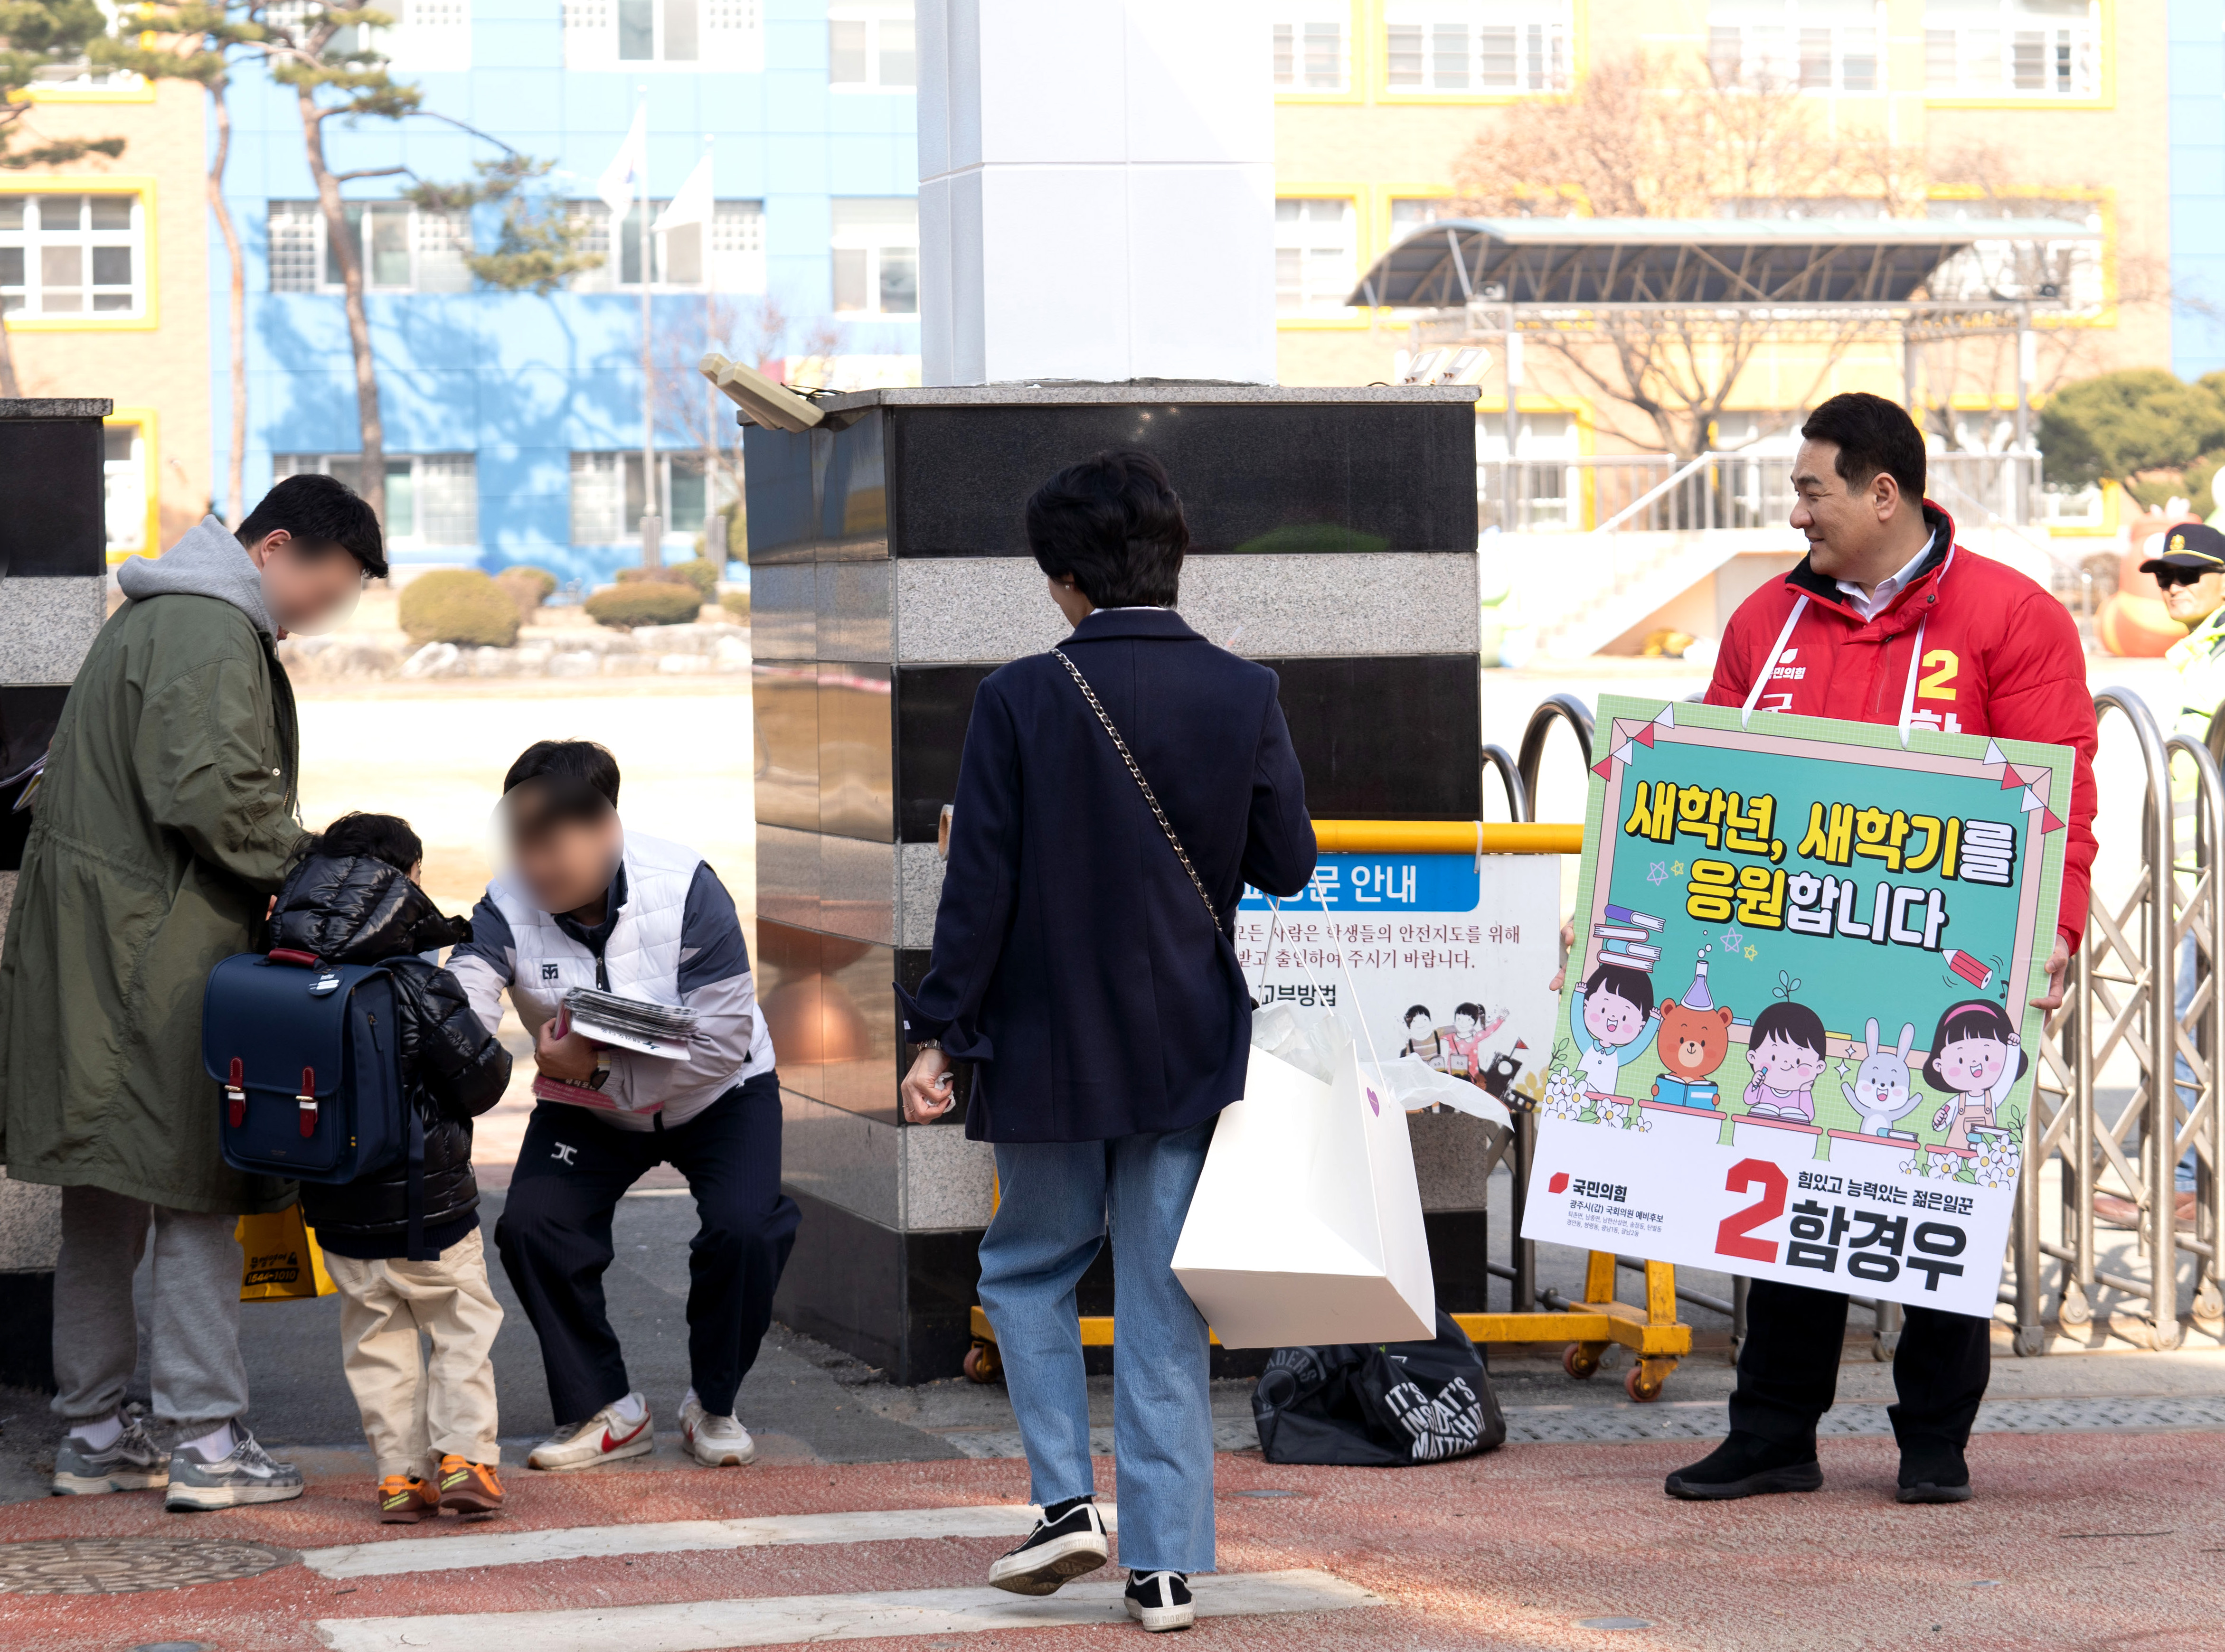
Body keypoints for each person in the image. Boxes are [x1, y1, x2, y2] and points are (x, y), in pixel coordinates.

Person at [896, 451, 1316, 1633]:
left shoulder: (1020, 699)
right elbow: (1287, 864)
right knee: (1162, 1295)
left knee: (1028, 1267)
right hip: (1185, 1037)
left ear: (1067, 578)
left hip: (1043, 1044)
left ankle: (1065, 1505)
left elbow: (975, 895)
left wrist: (938, 1034)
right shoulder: (1247, 693)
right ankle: (1166, 1568)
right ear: (1173, 560)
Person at [1668, 391, 2097, 1508]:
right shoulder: (1766, 621)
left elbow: (2065, 790)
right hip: (1797, 960)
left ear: (1882, 493)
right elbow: (1702, 782)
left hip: (1948, 969)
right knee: (1791, 1190)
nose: (1797, 511)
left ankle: (1935, 1443)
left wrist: (2056, 925)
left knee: (1943, 1186)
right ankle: (1772, 1432)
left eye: (1813, 490)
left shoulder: (2013, 617)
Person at [1, 477, 383, 1509]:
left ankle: (91, 1434)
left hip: (98, 956)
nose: (323, 611)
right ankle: (207, 1444)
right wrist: (321, 870)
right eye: (330, 587)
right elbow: (213, 796)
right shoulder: (212, 632)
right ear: (277, 548)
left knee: (104, 1199)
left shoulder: (151, 619)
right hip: (155, 963)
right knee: (198, 1195)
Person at [449, 740, 793, 1472]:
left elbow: (722, 1042)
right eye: (523, 847)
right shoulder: (505, 904)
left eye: (554, 850)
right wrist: (450, 1047)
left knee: (747, 1230)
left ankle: (713, 1402)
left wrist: (595, 1065)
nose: (537, 869)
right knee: (533, 1225)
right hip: (588, 1107)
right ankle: (605, 1406)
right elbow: (465, 1003)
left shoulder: (688, 887)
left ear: (608, 830)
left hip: (719, 1092)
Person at [269, 812, 513, 1522]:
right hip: (429, 1206)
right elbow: (483, 1079)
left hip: (338, 1208)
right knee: (461, 1325)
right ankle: (466, 1459)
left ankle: (400, 1478)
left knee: (376, 1340)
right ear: (405, 881)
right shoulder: (409, 981)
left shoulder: (280, 968)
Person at [2132, 522, 2221, 1228]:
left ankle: (2184, 1184)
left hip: (2207, 880)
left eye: (2189, 574)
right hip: (2185, 873)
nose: (2172, 586)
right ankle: (2184, 1178)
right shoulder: (2198, 655)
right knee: (2179, 1026)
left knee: (2180, 1028)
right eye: (2163, 575)